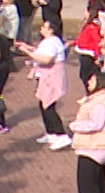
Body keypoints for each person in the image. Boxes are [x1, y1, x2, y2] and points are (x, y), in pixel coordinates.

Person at [23, 21, 71, 150]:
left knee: (48, 105)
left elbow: (46, 59)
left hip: (51, 77)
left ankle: (61, 134)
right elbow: (40, 52)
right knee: (43, 104)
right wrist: (27, 47)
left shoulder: (53, 42)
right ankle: (51, 133)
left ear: (51, 30)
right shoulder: (47, 41)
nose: (41, 28)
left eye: (45, 27)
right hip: (44, 76)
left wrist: (28, 53)